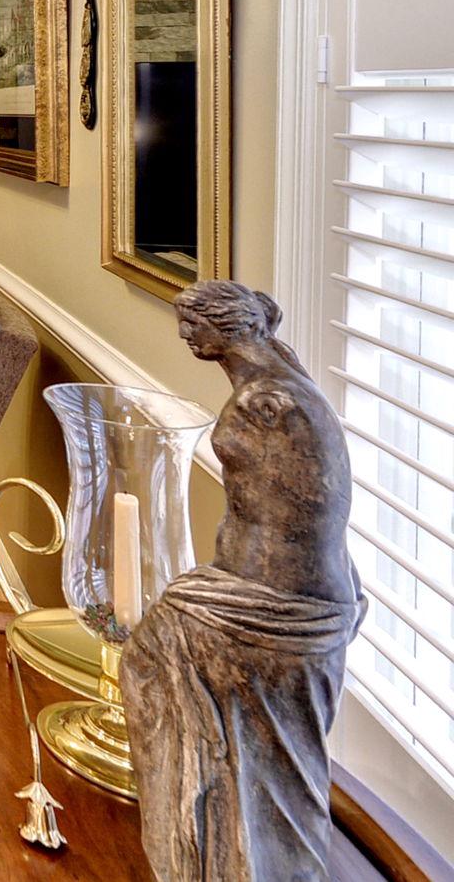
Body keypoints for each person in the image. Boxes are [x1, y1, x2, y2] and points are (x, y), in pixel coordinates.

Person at [123, 280, 363, 882]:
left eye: (192, 323)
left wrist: (277, 597)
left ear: (225, 325)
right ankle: (210, 845)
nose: (183, 334)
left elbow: (314, 508)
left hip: (270, 607)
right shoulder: (276, 381)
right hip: (259, 592)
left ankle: (202, 849)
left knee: (150, 659)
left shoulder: (275, 403)